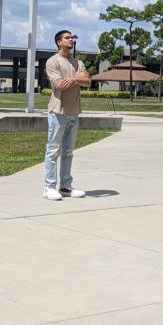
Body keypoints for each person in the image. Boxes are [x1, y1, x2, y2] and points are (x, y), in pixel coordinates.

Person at [43, 29, 92, 201]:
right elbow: (60, 85)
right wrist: (76, 79)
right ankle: (49, 187)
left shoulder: (77, 62)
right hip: (58, 111)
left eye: (72, 37)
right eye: (67, 38)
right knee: (53, 149)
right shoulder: (53, 62)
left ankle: (65, 186)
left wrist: (75, 79)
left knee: (68, 151)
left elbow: (88, 82)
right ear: (59, 42)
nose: (71, 40)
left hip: (74, 112)